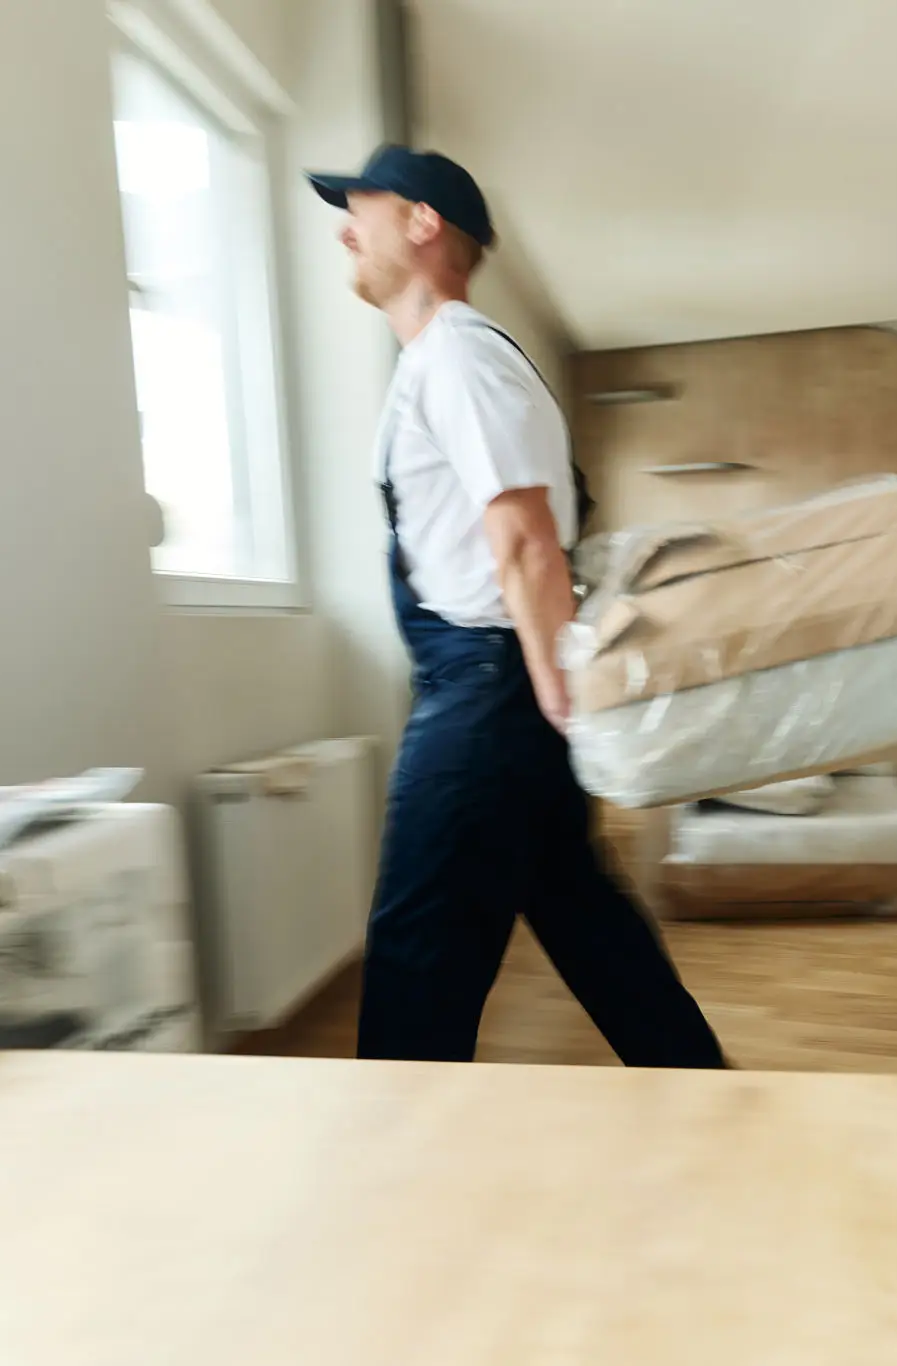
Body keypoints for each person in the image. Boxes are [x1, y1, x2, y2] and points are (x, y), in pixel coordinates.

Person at [306, 145, 726, 1068]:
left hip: (486, 687)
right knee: (592, 930)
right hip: (499, 686)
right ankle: (712, 1099)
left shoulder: (454, 352)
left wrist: (546, 698)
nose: (345, 227)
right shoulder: (447, 360)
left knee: (418, 959)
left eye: (360, 209)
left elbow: (525, 537)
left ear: (423, 224)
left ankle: (398, 1174)